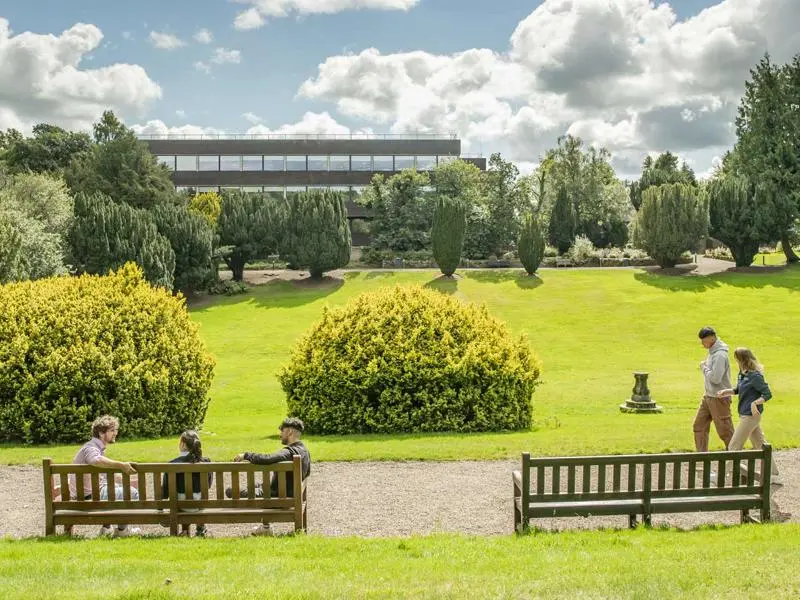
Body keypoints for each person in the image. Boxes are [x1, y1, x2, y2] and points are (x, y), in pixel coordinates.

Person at [717, 347, 790, 521]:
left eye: (736, 359)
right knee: (760, 444)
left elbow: (767, 394)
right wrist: (728, 392)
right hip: (744, 414)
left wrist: (756, 403)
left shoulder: (755, 376)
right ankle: (774, 475)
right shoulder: (743, 374)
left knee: (734, 445)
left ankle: (725, 478)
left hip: (751, 416)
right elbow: (740, 389)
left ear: (742, 359)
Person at [227, 417, 311, 536]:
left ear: (290, 432)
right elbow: (307, 474)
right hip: (292, 493)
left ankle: (265, 527)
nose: (280, 434)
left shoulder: (290, 452)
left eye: (282, 431)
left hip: (279, 495)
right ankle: (265, 527)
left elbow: (267, 458)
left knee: (230, 491)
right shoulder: (305, 451)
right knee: (256, 485)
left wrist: (246, 455)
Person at [71, 415, 140, 537]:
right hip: (90, 497)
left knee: (116, 489)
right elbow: (95, 460)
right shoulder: (91, 448)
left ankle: (106, 529)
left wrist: (123, 479)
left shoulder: (94, 447)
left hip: (87, 494)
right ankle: (122, 531)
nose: (116, 433)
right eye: (112, 430)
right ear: (101, 433)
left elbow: (102, 474)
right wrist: (121, 465)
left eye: (116, 430)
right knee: (132, 493)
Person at [161, 430, 213, 537]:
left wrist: (160, 508)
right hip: (200, 505)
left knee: (180, 495)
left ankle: (185, 531)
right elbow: (208, 485)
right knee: (198, 495)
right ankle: (201, 528)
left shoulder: (173, 464)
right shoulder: (206, 462)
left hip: (180, 505)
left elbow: (165, 492)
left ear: (182, 444)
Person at [693, 326, 734, 452]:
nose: (702, 344)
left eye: (704, 341)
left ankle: (737, 458)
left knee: (725, 431)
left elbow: (716, 378)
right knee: (699, 426)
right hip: (708, 396)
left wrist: (704, 368)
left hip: (719, 398)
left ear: (712, 338)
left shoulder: (720, 355)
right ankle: (702, 458)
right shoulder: (712, 352)